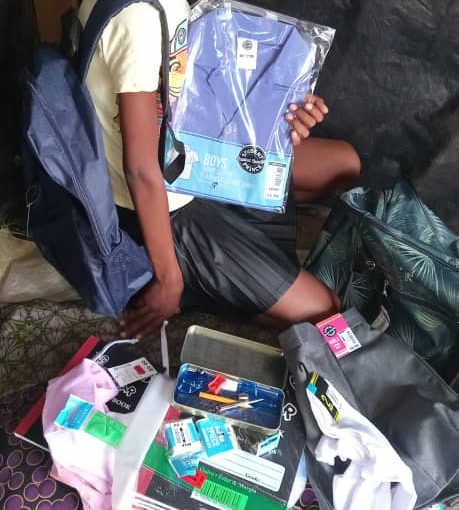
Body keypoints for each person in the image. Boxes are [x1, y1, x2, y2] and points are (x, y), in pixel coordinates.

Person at [77, 0, 361, 339]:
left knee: (344, 164)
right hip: (167, 202)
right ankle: (195, 280)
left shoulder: (170, 6)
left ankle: (231, 269)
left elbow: (196, 92)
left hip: (194, 156)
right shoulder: (138, 18)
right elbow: (141, 170)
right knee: (324, 311)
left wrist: (282, 113)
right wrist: (169, 280)